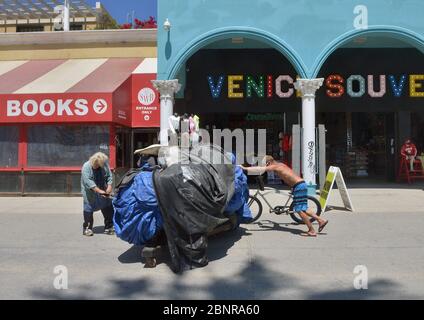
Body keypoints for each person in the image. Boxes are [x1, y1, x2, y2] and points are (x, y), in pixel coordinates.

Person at [240, 155, 328, 237]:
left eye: (265, 164)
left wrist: (245, 168)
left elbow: (260, 169)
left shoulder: (276, 166)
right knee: (304, 208)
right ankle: (321, 220)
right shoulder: (281, 164)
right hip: (300, 184)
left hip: (299, 186)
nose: (266, 167)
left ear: (268, 163)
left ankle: (311, 230)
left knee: (299, 209)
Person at [81, 152, 115, 237]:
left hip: (102, 187)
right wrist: (99, 191)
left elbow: (109, 176)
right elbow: (88, 182)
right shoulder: (86, 166)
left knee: (108, 206)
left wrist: (109, 186)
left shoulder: (104, 164)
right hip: (91, 192)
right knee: (89, 208)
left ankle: (109, 226)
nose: (100, 166)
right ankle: (87, 228)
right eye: (98, 165)